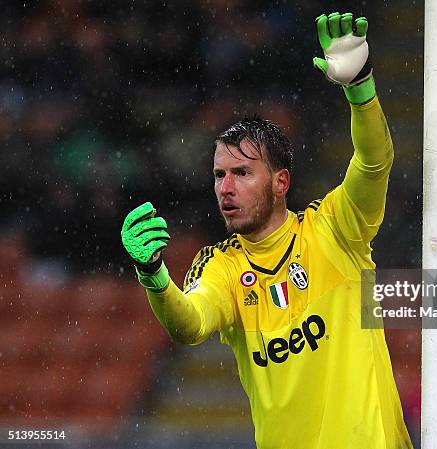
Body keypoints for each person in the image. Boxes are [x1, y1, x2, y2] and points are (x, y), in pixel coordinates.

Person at [121, 12, 412, 449]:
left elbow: (374, 161)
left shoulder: (335, 229)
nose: (226, 187)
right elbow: (191, 323)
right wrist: (154, 276)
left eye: (242, 173)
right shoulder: (221, 266)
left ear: (280, 182)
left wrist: (360, 89)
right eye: (219, 175)